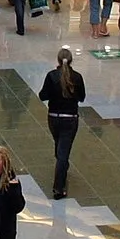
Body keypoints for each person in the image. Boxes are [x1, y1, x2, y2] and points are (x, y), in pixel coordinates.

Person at [38, 47, 85, 199]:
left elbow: (43, 96)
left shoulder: (51, 76)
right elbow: (82, 97)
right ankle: (59, 187)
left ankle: (61, 167)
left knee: (59, 146)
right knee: (63, 151)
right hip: (70, 118)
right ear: (71, 60)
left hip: (54, 117)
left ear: (58, 60)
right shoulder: (77, 77)